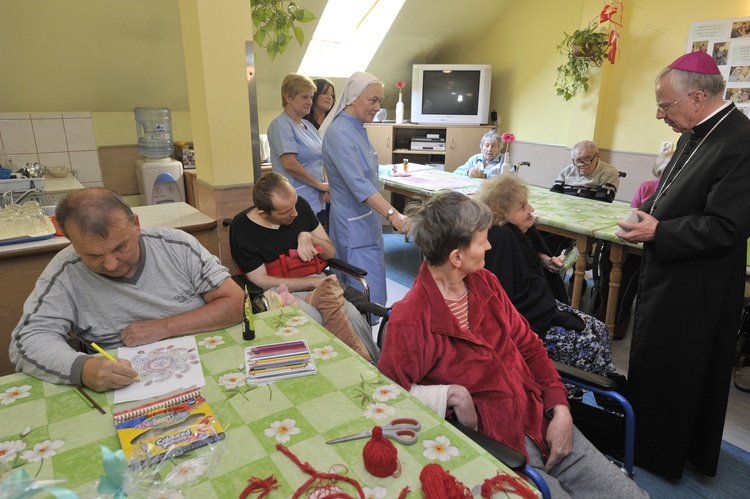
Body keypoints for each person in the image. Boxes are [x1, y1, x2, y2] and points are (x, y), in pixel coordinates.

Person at [378, 192, 648, 498]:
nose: (490, 246)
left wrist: (560, 406)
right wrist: (450, 395)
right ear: (457, 257)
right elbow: (390, 393)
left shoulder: (487, 284)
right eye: (483, 240)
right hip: (499, 448)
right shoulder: (411, 319)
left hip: (542, 417)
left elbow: (531, 347)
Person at [617, 51, 750, 479]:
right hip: (671, 273)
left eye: (665, 105)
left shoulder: (741, 141)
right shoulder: (694, 132)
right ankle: (650, 445)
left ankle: (665, 456)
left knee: (681, 371)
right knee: (658, 365)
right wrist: (643, 216)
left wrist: (659, 233)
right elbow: (669, 192)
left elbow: (727, 226)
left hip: (700, 287)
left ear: (696, 97)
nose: (659, 115)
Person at [9, 187, 244, 392]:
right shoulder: (65, 272)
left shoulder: (177, 246)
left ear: (137, 225)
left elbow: (234, 303)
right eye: (93, 255)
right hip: (124, 384)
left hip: (210, 362)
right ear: (73, 244)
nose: (112, 264)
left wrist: (164, 327)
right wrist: (83, 368)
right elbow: (27, 341)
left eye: (120, 247)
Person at [228, 173, 378, 362]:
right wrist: (314, 282)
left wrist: (310, 237)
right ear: (264, 214)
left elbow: (330, 252)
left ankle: (375, 366)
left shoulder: (300, 207)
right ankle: (333, 368)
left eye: (294, 205)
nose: (295, 213)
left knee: (353, 317)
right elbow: (259, 280)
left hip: (319, 280)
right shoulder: (243, 228)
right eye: (285, 212)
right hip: (280, 289)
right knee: (313, 320)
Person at [475, 175, 615, 377]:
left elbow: (526, 255)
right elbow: (512, 303)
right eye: (523, 207)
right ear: (502, 215)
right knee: (588, 339)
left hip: (539, 306)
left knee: (600, 329)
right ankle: (571, 396)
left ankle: (607, 394)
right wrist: (558, 316)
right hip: (523, 324)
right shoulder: (502, 238)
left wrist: (544, 259)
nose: (531, 209)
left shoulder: (513, 231)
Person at [320, 71, 407, 306]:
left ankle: (371, 333)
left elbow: (367, 172)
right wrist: (392, 214)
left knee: (373, 287)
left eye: (380, 100)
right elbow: (358, 184)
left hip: (366, 221)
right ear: (353, 98)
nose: (377, 107)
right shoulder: (340, 132)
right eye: (373, 100)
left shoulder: (357, 128)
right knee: (357, 292)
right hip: (352, 223)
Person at [596, 151, 672, 340]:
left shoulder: (682, 193)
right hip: (633, 239)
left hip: (654, 245)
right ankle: (604, 308)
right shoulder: (647, 187)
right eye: (664, 173)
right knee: (607, 258)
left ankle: (619, 316)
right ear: (658, 173)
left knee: (629, 270)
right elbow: (632, 214)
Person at [267, 73, 329, 222]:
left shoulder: (308, 126)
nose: (309, 102)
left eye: (311, 97)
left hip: (317, 199)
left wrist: (326, 185)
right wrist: (320, 185)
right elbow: (290, 164)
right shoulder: (281, 125)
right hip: (295, 203)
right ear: (288, 98)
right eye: (304, 97)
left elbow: (322, 158)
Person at [550, 140, 620, 202]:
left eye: (587, 158)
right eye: (578, 160)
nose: (582, 164)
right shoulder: (567, 171)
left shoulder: (609, 172)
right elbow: (554, 194)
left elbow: (602, 202)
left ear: (597, 157)